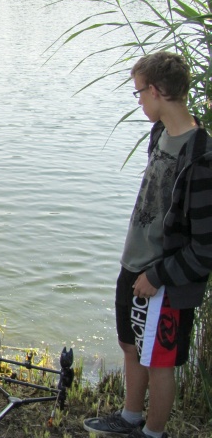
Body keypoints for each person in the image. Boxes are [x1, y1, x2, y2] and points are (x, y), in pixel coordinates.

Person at [83, 51, 212, 438]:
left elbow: (205, 247)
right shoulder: (160, 133)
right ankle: (129, 417)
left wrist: (158, 275)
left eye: (139, 92)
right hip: (133, 262)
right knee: (130, 344)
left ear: (156, 91)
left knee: (160, 361)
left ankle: (153, 434)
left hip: (164, 278)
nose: (138, 100)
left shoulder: (201, 156)